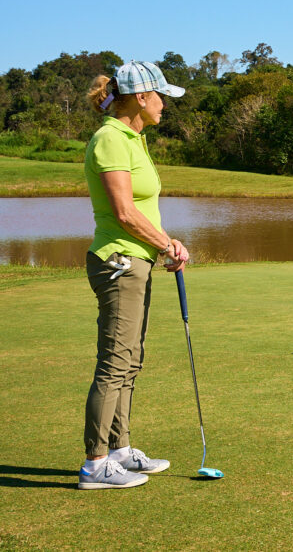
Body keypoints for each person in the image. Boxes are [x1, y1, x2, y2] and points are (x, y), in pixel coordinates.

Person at [78, 60, 191, 489]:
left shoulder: (132, 139)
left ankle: (120, 449)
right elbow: (124, 212)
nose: (164, 104)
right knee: (115, 363)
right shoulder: (110, 138)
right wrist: (166, 244)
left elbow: (140, 211)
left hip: (137, 259)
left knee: (130, 361)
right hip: (118, 262)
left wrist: (167, 242)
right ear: (141, 97)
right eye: (160, 96)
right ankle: (95, 463)